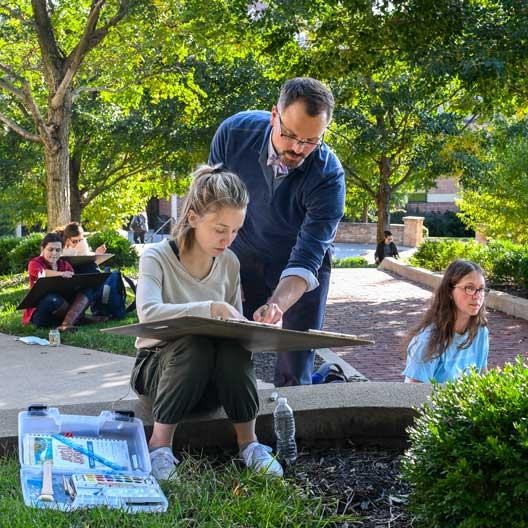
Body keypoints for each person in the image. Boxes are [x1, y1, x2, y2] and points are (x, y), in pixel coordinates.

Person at [130, 164, 283, 481]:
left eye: (236, 231)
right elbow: (147, 313)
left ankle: (249, 444)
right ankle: (159, 446)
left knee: (229, 348)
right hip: (158, 372)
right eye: (220, 229)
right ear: (193, 218)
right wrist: (211, 308)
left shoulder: (229, 263)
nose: (228, 239)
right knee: (195, 343)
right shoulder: (155, 256)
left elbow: (235, 332)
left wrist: (261, 325)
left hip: (212, 381)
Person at [209, 77, 345, 387]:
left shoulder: (329, 176)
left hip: (300, 267)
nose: (298, 148)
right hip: (242, 251)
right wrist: (217, 272)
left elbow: (308, 256)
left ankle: (299, 416)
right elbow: (212, 211)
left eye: (311, 141)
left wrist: (277, 305)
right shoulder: (233, 134)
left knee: (294, 367)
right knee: (228, 354)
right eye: (290, 135)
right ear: (274, 115)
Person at [402, 259, 489, 383]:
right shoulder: (427, 340)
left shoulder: (480, 333)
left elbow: (483, 380)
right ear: (449, 292)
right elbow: (413, 395)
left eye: (481, 289)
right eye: (469, 288)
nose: (477, 296)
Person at [22, 232, 93, 332]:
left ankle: (66, 324)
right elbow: (43, 273)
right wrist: (61, 274)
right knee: (52, 298)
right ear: (43, 249)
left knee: (87, 290)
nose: (54, 253)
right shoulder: (34, 263)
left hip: (60, 310)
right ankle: (79, 319)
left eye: (58, 250)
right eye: (50, 249)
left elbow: (73, 285)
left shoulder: (65, 265)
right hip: (41, 313)